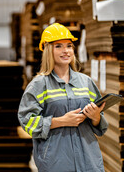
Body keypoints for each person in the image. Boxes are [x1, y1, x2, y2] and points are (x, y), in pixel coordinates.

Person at [18, 23, 108, 172]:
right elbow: (27, 121)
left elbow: (100, 124)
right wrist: (60, 121)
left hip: (89, 160)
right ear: (48, 50)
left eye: (69, 46)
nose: (65, 51)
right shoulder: (39, 85)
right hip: (56, 162)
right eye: (58, 46)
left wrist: (96, 117)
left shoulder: (85, 82)